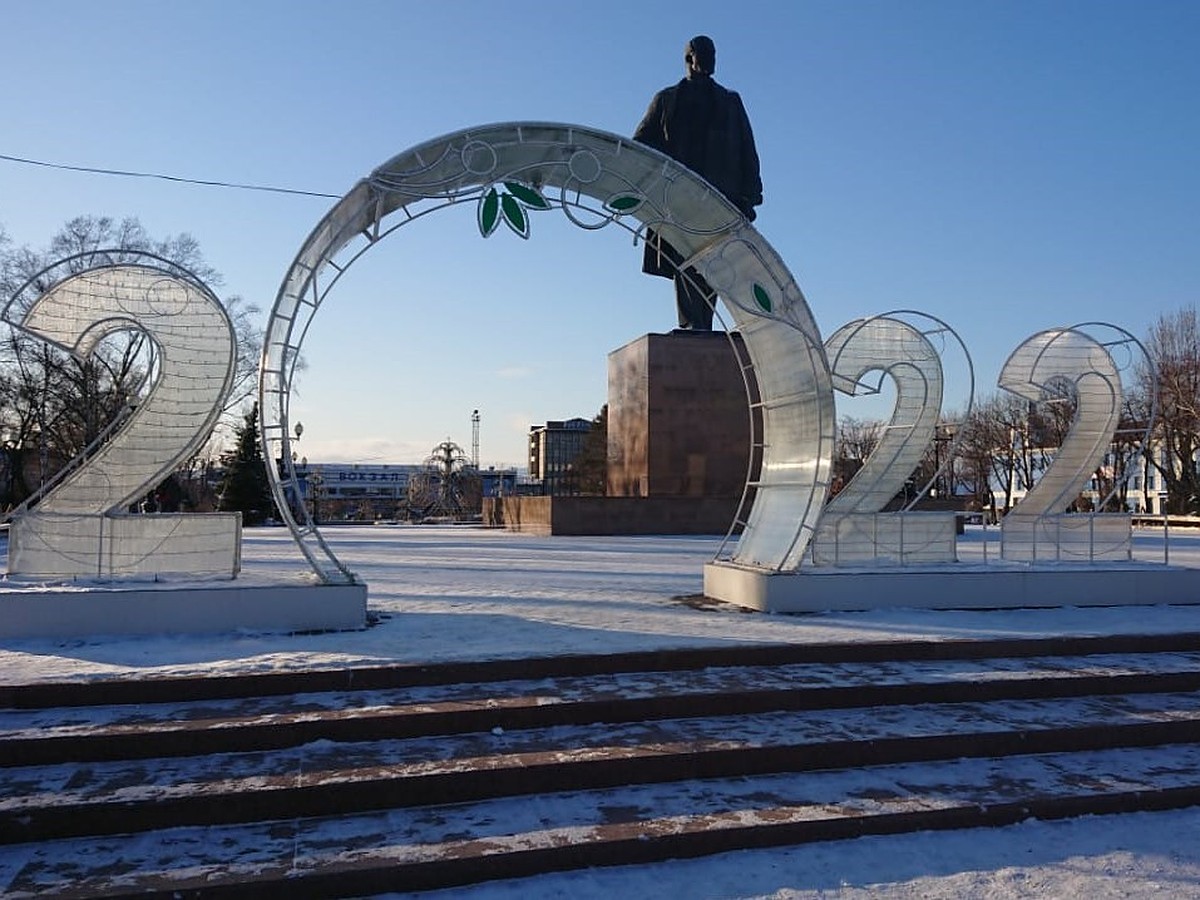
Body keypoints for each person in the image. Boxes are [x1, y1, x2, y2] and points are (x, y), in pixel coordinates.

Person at [634, 35, 763, 331]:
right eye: (706, 54)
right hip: (678, 197)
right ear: (689, 57)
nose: (712, 60)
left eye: (714, 54)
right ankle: (694, 325)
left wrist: (751, 194)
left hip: (721, 196)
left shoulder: (730, 101)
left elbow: (747, 148)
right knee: (685, 258)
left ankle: (701, 326)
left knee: (716, 261)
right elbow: (641, 144)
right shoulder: (666, 99)